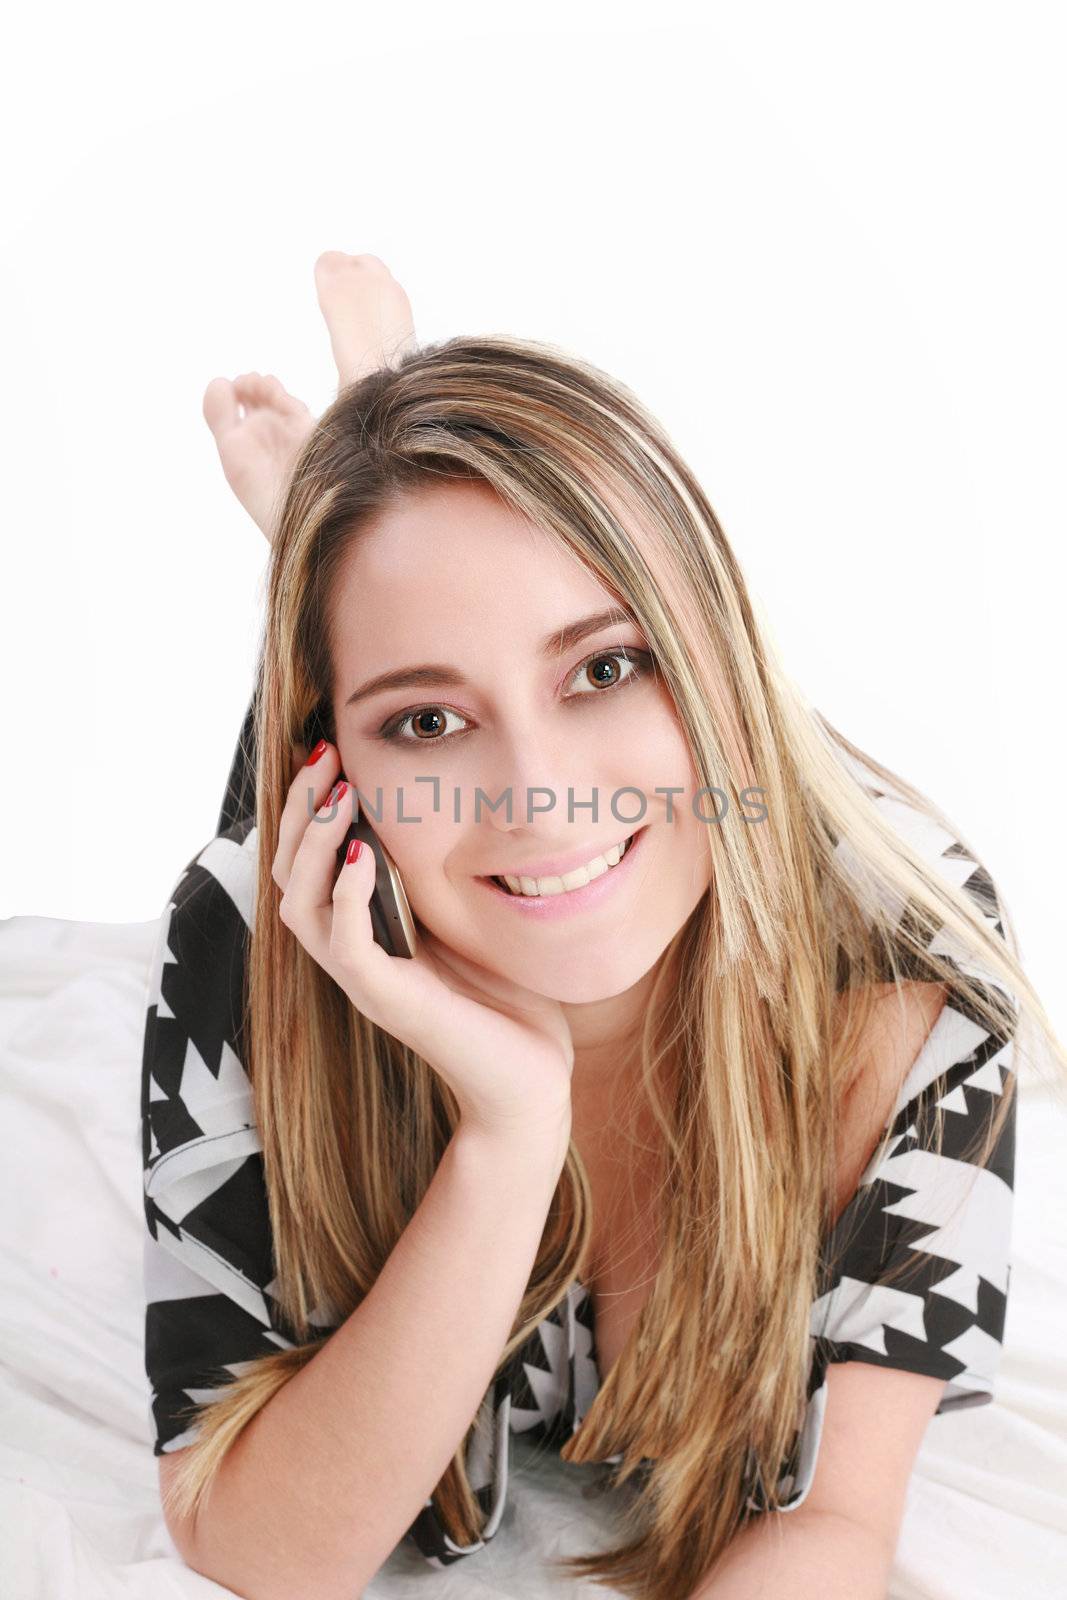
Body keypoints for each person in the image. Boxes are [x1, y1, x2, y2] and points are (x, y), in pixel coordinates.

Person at [140, 253, 1061, 1600]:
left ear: (712, 661)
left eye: (608, 665)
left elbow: (838, 1523)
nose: (536, 793)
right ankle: (355, 510)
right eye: (423, 716)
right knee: (389, 638)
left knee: (454, 632)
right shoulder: (246, 926)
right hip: (398, 827)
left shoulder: (909, 976)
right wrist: (509, 1132)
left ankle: (375, 494)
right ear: (338, 769)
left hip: (746, 815)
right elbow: (266, 1552)